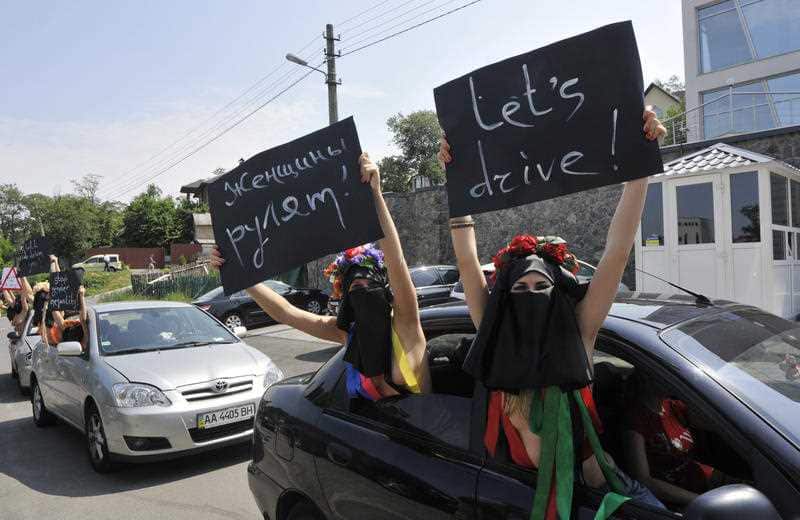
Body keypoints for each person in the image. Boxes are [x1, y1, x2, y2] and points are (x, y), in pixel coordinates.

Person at [440, 108, 667, 518]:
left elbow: (616, 252)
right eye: (521, 288)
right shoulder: (494, 340)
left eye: (541, 287)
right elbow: (468, 265)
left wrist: (641, 167)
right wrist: (457, 182)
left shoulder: (579, 333)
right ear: (505, 298)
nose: (531, 295)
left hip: (603, 501)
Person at [211, 152, 430, 398]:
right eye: (354, 285)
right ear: (345, 297)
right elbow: (286, 312)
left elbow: (396, 259)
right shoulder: (348, 335)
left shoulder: (406, 321)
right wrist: (238, 273)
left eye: (370, 282)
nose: (363, 288)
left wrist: (375, 195)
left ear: (386, 286)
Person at [623, 372, 741, 508]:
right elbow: (643, 479)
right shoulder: (635, 421)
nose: (672, 379)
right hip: (684, 495)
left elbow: (712, 421)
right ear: (648, 377)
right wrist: (700, 501)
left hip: (706, 477)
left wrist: (687, 390)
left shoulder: (672, 406)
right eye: (667, 375)